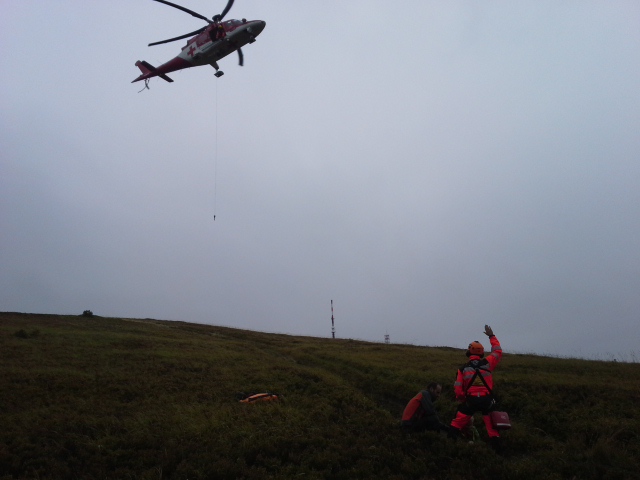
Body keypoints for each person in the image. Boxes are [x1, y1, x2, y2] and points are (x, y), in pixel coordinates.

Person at [449, 325, 503, 452]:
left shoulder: (462, 369)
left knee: (457, 423)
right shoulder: (488, 363)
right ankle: (498, 453)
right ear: (482, 352)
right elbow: (498, 351)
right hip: (487, 400)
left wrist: (462, 399)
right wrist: (491, 336)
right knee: (492, 429)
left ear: (469, 352)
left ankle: (449, 446)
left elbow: (458, 389)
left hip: (471, 401)